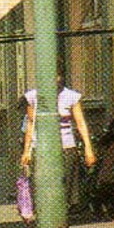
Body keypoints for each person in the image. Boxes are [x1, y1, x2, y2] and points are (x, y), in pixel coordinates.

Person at [18, 68, 96, 218]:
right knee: (41, 184)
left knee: (64, 185)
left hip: (66, 146)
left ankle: (60, 216)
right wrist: (26, 151)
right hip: (39, 147)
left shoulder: (71, 97)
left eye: (57, 75)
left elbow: (80, 123)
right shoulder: (33, 96)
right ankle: (44, 217)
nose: (54, 79)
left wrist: (88, 149)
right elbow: (30, 125)